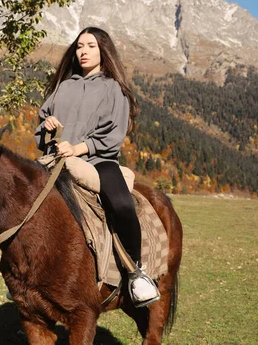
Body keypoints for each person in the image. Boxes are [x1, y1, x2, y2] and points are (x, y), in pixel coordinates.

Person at [34, 26, 160, 307]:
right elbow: (41, 127)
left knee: (122, 205)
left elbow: (113, 135)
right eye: (79, 46)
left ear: (103, 51)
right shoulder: (63, 87)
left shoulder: (113, 88)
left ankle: (137, 272)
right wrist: (47, 126)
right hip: (56, 159)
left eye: (90, 46)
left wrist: (78, 148)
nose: (83, 51)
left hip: (99, 161)